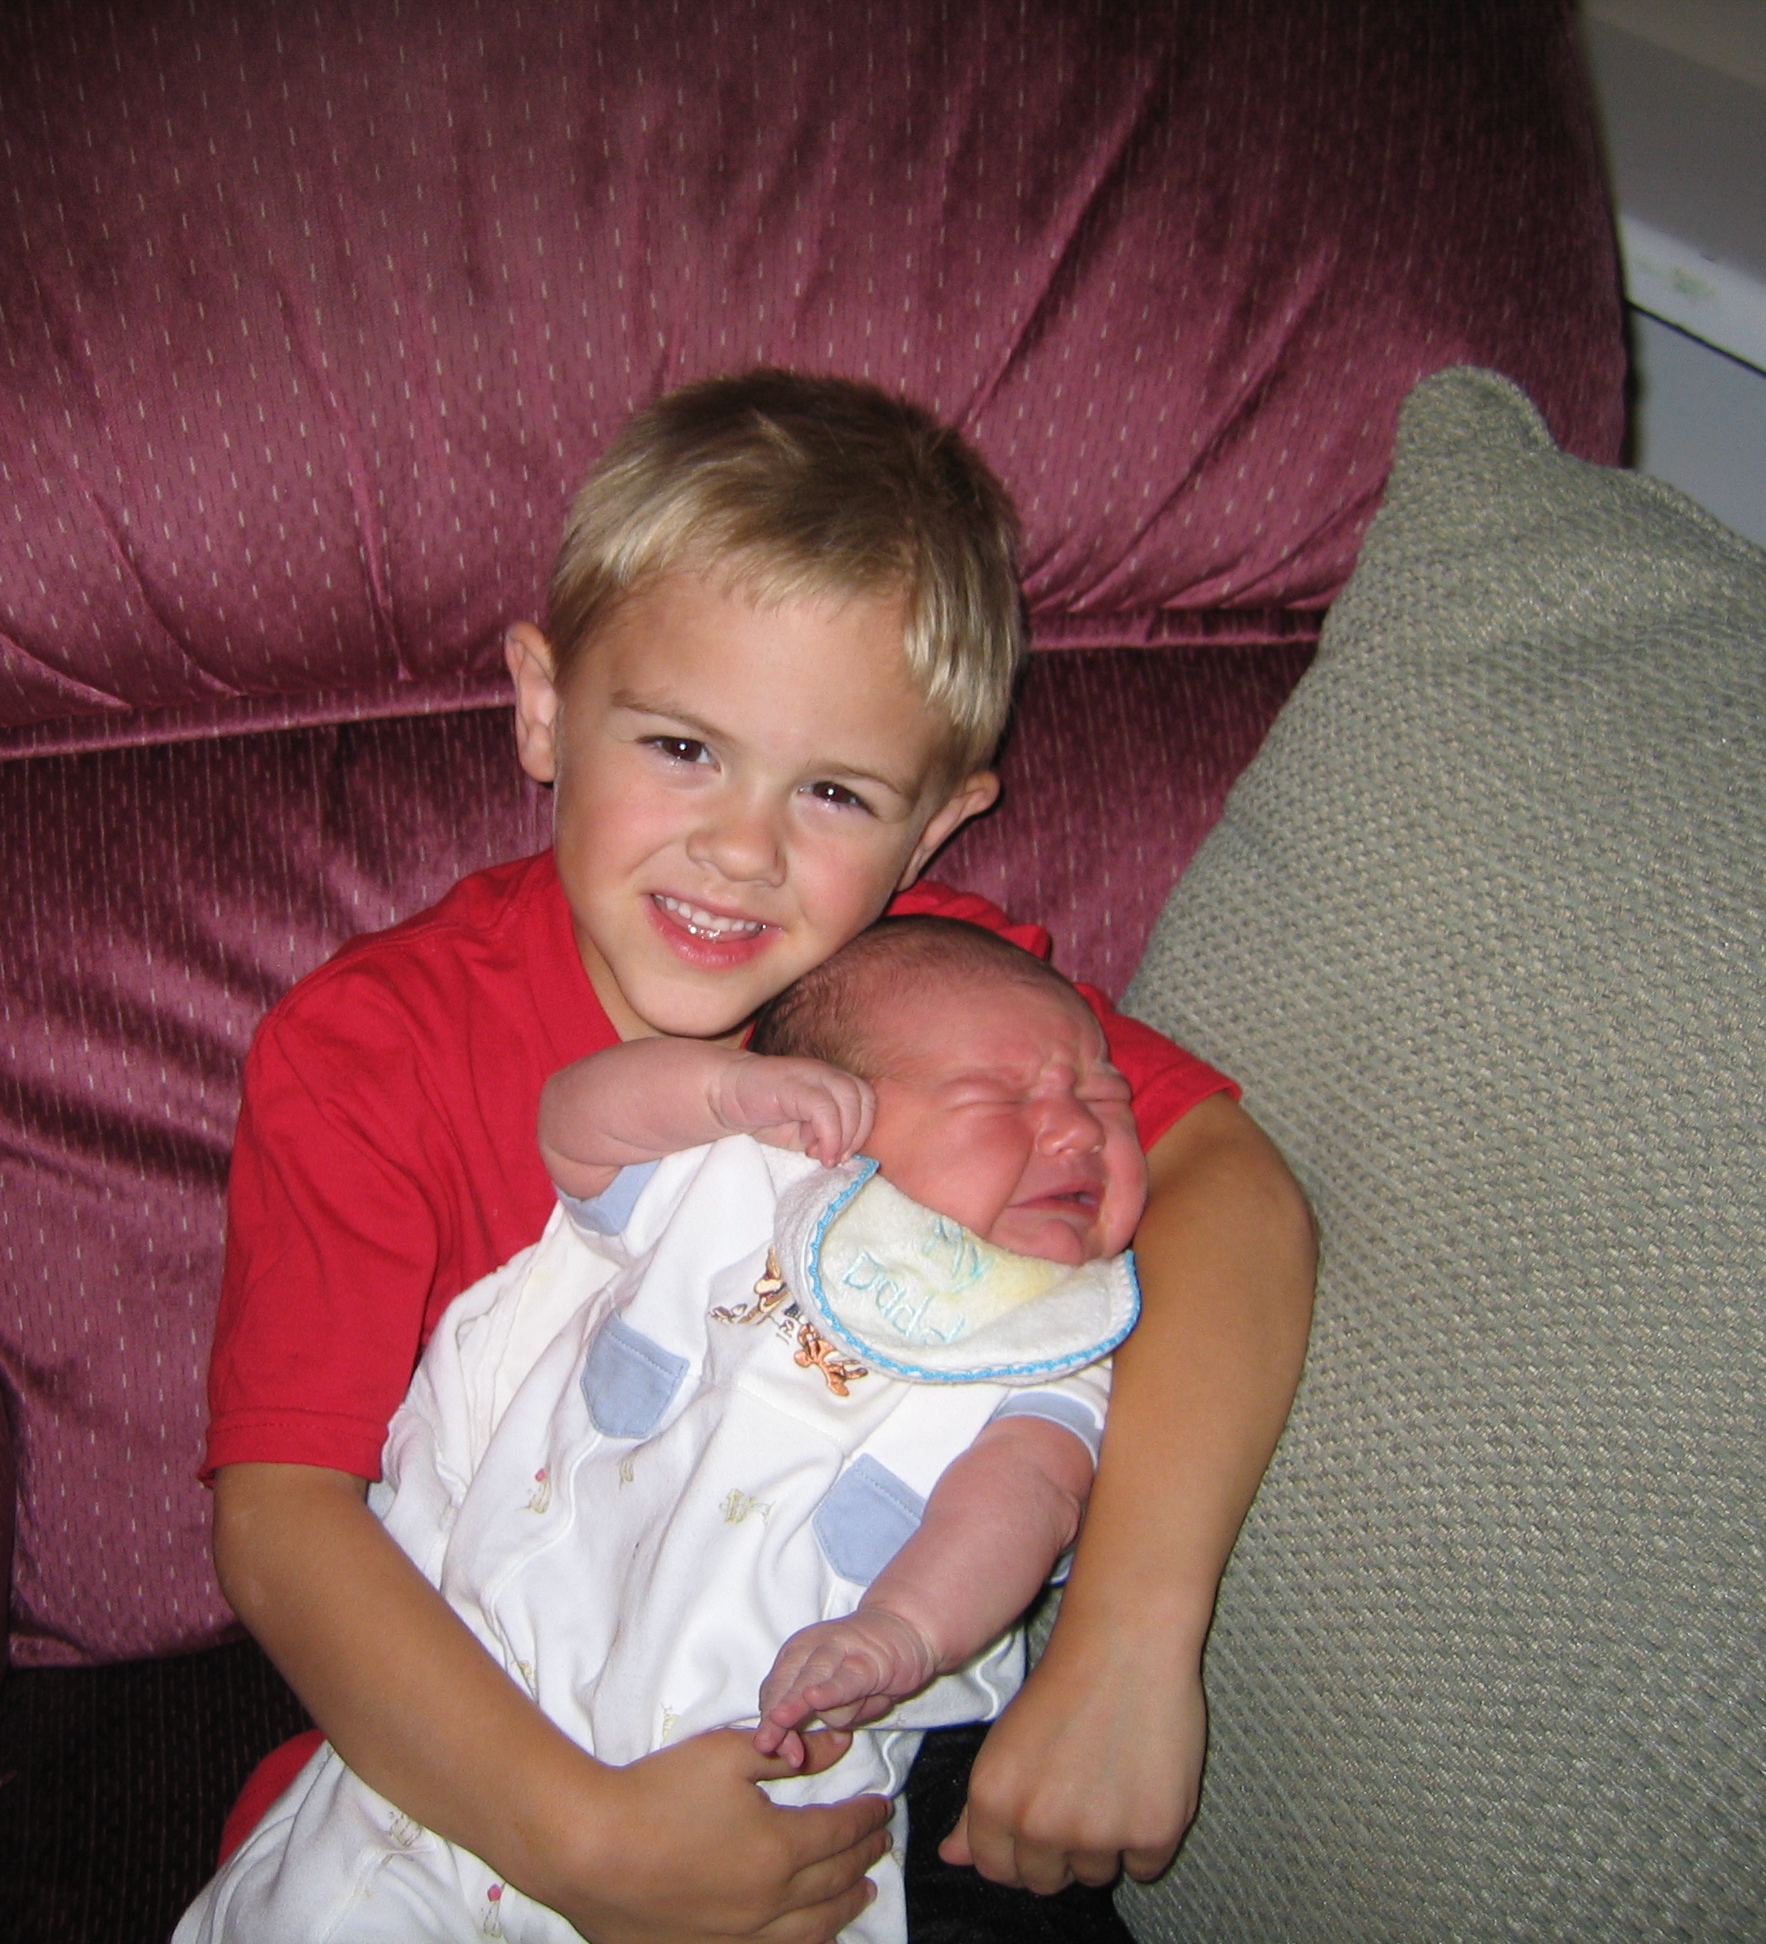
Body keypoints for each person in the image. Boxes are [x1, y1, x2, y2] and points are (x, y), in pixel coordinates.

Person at [207, 369, 1315, 1944]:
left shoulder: (942, 1005)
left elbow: (1232, 1189)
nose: (742, 850)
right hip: (457, 1803)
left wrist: (1130, 1641)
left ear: (933, 831)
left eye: (836, 793)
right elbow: (280, 1521)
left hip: (848, 1786)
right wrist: (583, 1841)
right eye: (682, 745)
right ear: (544, 708)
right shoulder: (368, 1049)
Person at [183, 919, 1153, 1944]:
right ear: (832, 1109)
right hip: (489, 1716)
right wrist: (724, 1093)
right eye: (1002, 1097)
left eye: (1106, 1100)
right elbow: (573, 1127)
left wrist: (906, 1631)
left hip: (758, 1812)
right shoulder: (737, 1186)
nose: (1079, 1130)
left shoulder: (1054, 1340)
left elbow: (1029, 1497)